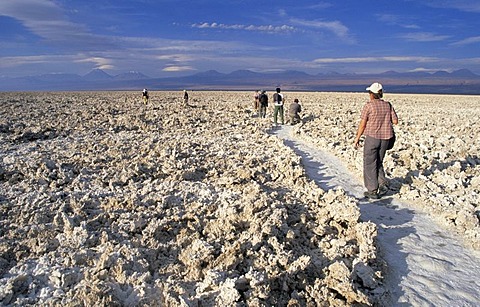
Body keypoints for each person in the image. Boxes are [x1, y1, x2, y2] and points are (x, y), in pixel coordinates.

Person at [354, 82, 398, 199]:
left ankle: (372, 190)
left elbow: (362, 125)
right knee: (378, 161)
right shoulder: (388, 105)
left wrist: (357, 138)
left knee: (369, 163)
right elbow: (395, 121)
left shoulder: (368, 106)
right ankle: (383, 183)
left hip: (372, 138)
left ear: (371, 94)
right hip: (385, 139)